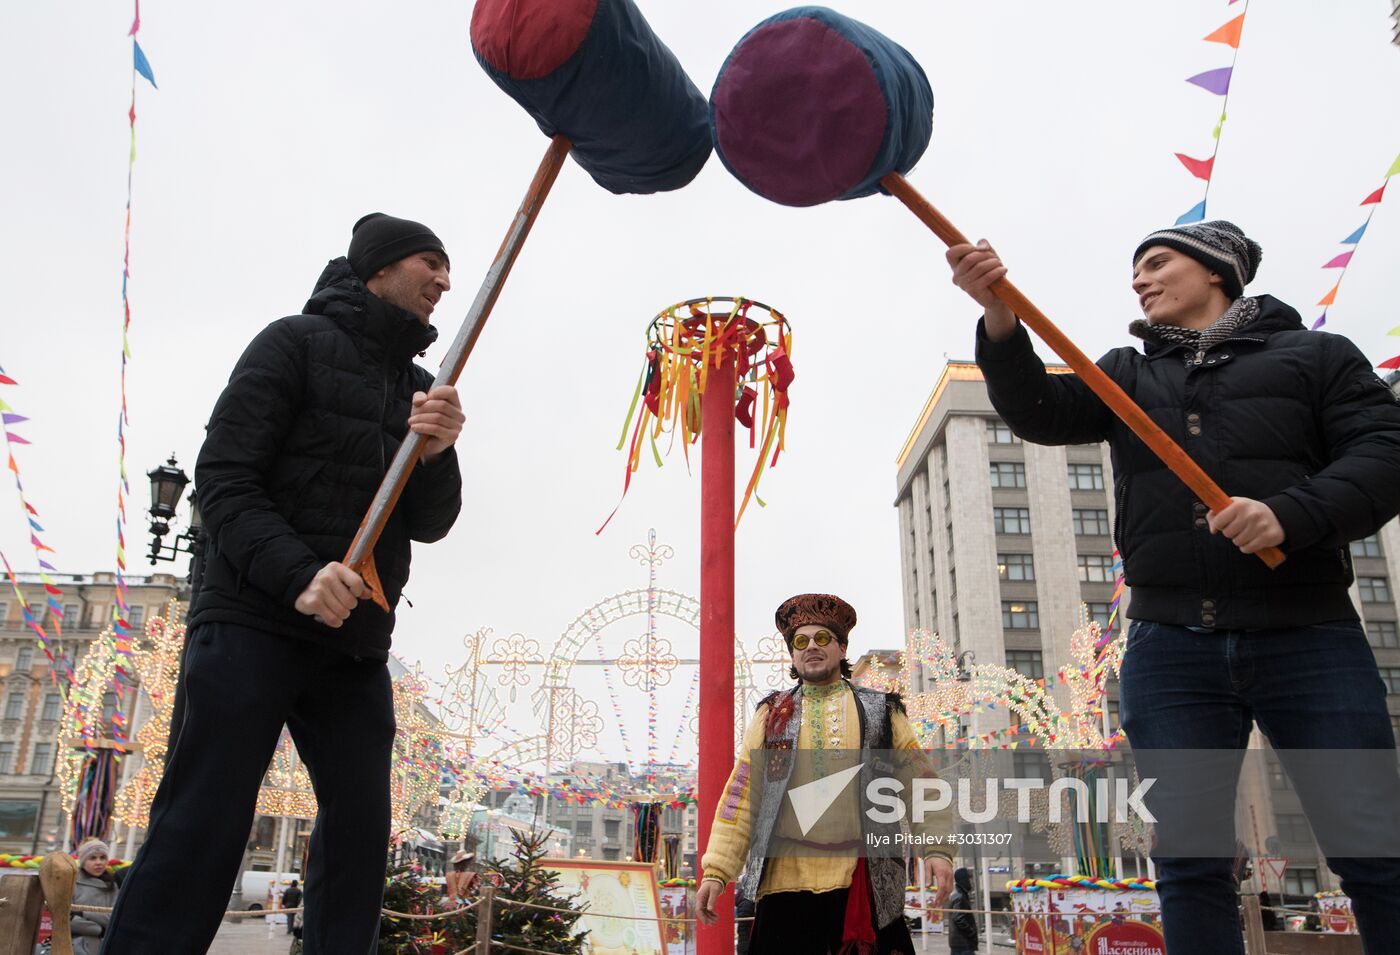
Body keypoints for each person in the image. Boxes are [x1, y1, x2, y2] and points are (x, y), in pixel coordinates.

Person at [946, 220, 1400, 953]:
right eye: (1135, 270)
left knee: (1372, 843)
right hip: (1169, 644)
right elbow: (1039, 410)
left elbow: (1385, 452)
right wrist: (1000, 315)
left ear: (1216, 270)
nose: (1140, 279)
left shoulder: (1316, 358)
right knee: (1190, 857)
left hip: (1309, 634)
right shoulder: (1126, 373)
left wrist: (1291, 514)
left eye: (1157, 263)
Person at [101, 213, 465, 954]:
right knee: (205, 815)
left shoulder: (421, 387)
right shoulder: (291, 343)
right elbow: (225, 478)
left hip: (355, 640)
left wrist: (437, 452)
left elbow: (430, 523)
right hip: (251, 620)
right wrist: (299, 574)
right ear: (378, 269)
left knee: (362, 829)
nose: (444, 281)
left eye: (448, 269)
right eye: (429, 262)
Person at [695, 593, 955, 954]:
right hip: (783, 889)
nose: (811, 647)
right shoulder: (771, 716)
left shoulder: (883, 712)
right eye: (800, 641)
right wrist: (717, 872)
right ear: (792, 653)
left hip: (864, 885)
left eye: (822, 639)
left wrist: (938, 850)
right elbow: (740, 797)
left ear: (842, 647)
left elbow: (921, 783)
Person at [72, 839, 118, 955]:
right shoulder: (72, 882)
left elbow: (115, 917)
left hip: (105, 946)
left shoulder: (112, 884)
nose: (99, 862)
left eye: (103, 858)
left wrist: (83, 913)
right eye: (93, 858)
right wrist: (99, 929)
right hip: (75, 946)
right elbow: (66, 919)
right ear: (83, 861)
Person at [947, 867, 978, 955]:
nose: (972, 882)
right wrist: (971, 932)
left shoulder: (959, 894)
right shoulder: (959, 896)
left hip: (959, 942)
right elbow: (958, 918)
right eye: (970, 878)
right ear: (964, 879)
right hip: (963, 943)